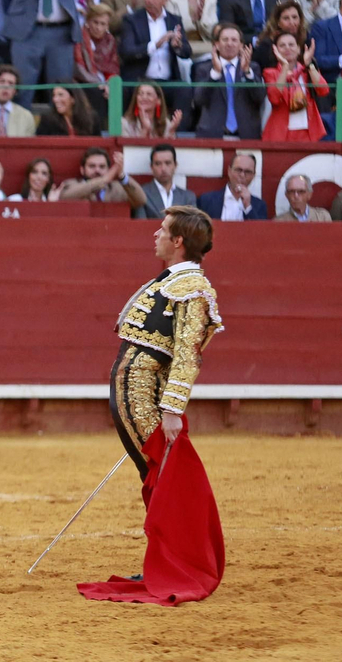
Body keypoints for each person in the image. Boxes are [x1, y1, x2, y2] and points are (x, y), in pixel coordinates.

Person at [109, 204, 222, 480]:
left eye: (163, 230)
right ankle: (161, 525)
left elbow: (188, 353)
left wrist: (172, 410)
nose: (156, 233)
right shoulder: (172, 281)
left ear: (177, 241)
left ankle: (170, 525)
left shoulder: (192, 290)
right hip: (136, 389)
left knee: (164, 470)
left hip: (148, 392)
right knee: (156, 470)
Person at [262, 31, 329, 141]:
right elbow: (274, 98)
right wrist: (284, 68)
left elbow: (323, 90)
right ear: (276, 51)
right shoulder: (270, 72)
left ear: (298, 49)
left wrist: (309, 65)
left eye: (291, 44)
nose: (287, 48)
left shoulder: (306, 71)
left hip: (308, 132)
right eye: (282, 45)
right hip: (281, 133)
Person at [58, 147, 147, 208]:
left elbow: (141, 200)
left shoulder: (117, 188)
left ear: (108, 169)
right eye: (92, 166)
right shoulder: (72, 184)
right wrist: (103, 180)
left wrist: (122, 176)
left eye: (102, 167)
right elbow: (64, 197)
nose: (97, 170)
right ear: (82, 170)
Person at [195, 152, 268, 221]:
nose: (242, 175)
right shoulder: (207, 200)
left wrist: (248, 207)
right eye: (238, 170)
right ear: (229, 171)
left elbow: (260, 232)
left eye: (248, 172)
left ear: (253, 175)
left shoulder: (259, 205)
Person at [134, 143, 196, 220]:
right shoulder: (141, 194)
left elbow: (192, 228)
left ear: (175, 165)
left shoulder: (188, 197)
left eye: (168, 163)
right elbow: (140, 226)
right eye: (158, 164)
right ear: (151, 167)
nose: (163, 168)